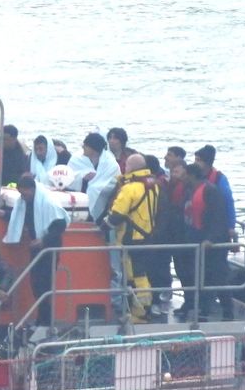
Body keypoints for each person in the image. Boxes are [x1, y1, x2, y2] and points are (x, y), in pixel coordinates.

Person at [2, 175, 68, 327]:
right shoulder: (28, 202)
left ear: (31, 190)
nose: (22, 198)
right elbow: (20, 216)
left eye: (24, 194)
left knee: (44, 285)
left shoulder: (48, 203)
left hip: (49, 248)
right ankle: (42, 318)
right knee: (36, 284)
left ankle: (46, 320)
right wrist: (5, 215)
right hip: (36, 248)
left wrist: (43, 240)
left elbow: (60, 225)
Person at [106, 154, 160, 321]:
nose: (124, 169)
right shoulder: (153, 186)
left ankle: (141, 311)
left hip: (130, 238)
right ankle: (142, 309)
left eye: (126, 166)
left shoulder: (129, 189)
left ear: (131, 168)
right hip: (147, 236)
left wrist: (103, 227)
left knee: (134, 277)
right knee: (139, 275)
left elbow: (116, 215)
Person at [181, 163, 234, 320]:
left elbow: (218, 218)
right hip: (198, 240)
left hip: (213, 243)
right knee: (201, 276)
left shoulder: (210, 191)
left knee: (218, 277)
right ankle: (204, 309)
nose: (183, 178)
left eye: (185, 175)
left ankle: (228, 311)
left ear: (192, 175)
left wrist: (211, 239)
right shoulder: (192, 191)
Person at [149, 161, 190, 316]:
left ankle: (170, 295)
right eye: (172, 172)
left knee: (180, 269)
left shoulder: (181, 189)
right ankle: (165, 293)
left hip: (175, 235)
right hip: (169, 234)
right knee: (165, 266)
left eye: (177, 172)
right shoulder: (168, 186)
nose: (173, 175)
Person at [67, 132, 120, 222]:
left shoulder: (110, 163)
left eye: (85, 146)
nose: (82, 147)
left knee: (94, 190)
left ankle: (92, 216)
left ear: (93, 149)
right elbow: (69, 176)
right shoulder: (77, 158)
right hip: (80, 194)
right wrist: (82, 177)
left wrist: (94, 184)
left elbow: (112, 181)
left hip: (105, 198)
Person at [193, 145, 237, 244]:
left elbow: (229, 202)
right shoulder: (195, 177)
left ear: (207, 163)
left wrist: (231, 226)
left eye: (198, 160)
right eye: (195, 160)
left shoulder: (220, 179)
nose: (195, 163)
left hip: (216, 226)